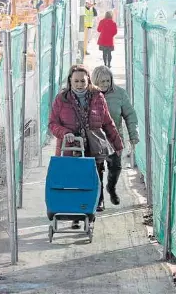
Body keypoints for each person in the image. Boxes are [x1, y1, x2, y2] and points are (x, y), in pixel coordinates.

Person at [49, 64, 123, 220]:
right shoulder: (62, 99)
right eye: (76, 81)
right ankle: (75, 211)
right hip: (70, 147)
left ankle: (94, 204)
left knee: (96, 175)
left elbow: (107, 122)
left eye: (82, 81)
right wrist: (65, 133)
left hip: (94, 145)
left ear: (88, 80)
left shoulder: (97, 96)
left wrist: (117, 144)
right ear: (70, 81)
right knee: (74, 178)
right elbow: (52, 124)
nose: (79, 85)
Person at [92, 65, 139, 205]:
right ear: (95, 81)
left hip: (114, 137)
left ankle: (111, 188)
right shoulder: (91, 94)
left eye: (108, 81)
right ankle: (99, 199)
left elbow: (130, 115)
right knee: (97, 169)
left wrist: (133, 135)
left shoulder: (120, 94)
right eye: (102, 81)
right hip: (96, 139)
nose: (105, 84)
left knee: (116, 167)